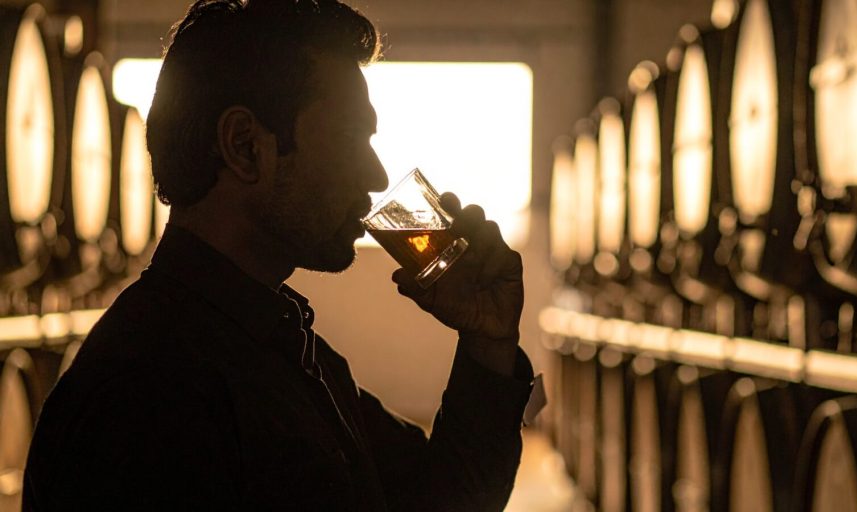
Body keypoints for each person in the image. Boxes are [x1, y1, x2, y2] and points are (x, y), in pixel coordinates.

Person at [23, 0, 536, 509]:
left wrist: (486, 343)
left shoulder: (285, 347)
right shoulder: (144, 395)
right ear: (246, 146)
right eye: (351, 137)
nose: (377, 175)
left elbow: (439, 499)